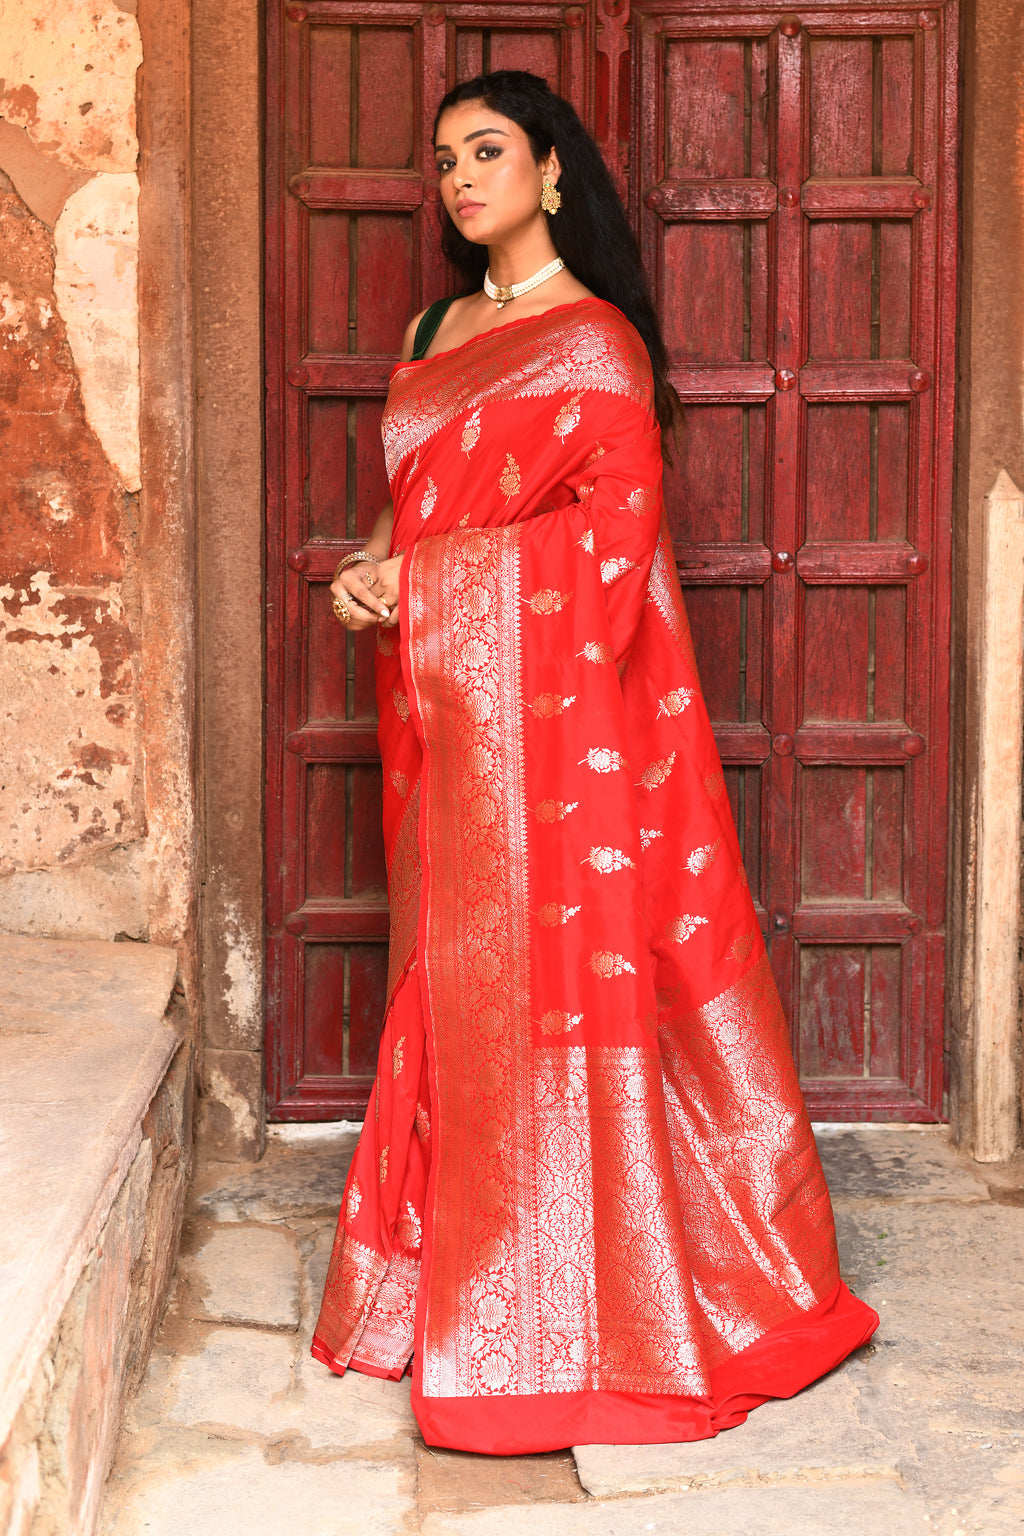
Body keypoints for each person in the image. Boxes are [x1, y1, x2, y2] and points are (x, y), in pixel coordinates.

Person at [311, 69, 877, 1456]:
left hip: (560, 746)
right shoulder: (435, 327)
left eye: (487, 152)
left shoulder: (598, 346)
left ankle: (570, 1294)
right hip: (448, 725)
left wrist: (430, 584)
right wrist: (373, 574)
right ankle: (443, 1270)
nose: (459, 178)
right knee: (449, 982)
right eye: (443, 158)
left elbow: (612, 558)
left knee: (555, 989)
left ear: (554, 171)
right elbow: (412, 505)